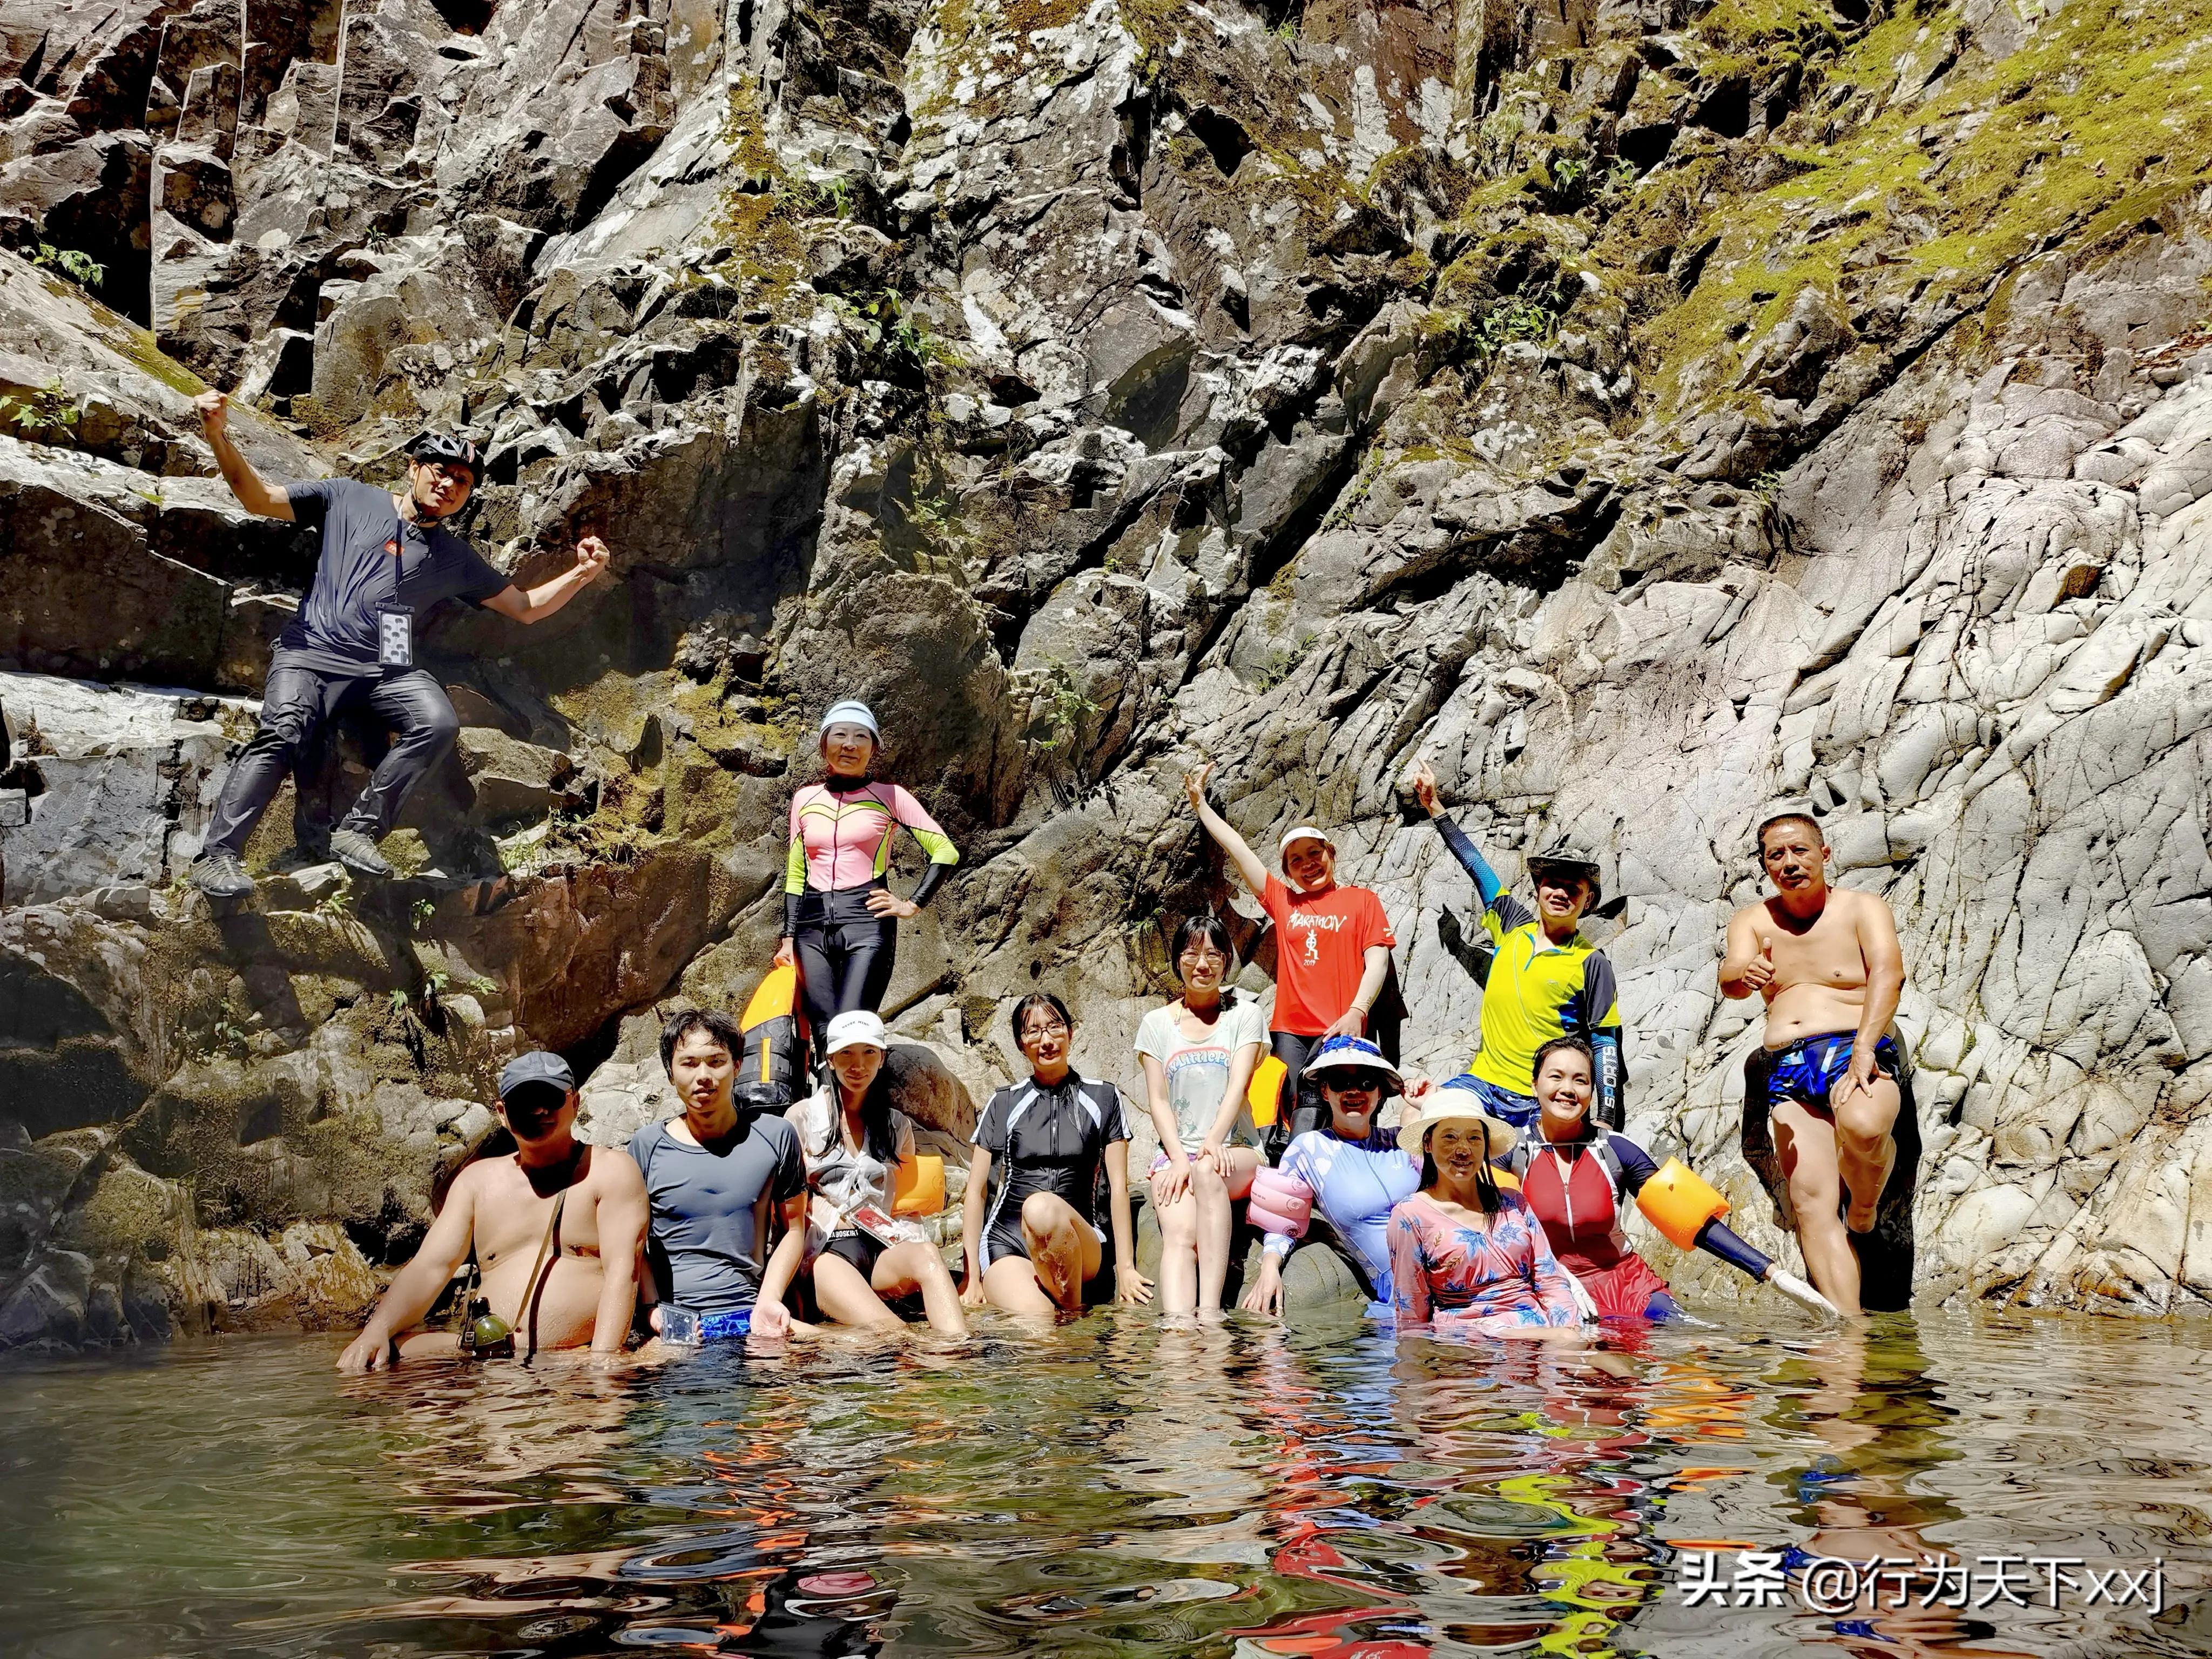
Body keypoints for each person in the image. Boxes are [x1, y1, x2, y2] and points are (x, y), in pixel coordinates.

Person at [187, 389, 612, 898]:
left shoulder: (455, 557)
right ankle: (218, 858)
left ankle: (361, 830)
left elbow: (525, 607)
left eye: (462, 482)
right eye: (441, 470)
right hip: (311, 652)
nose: (450, 484)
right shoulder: (347, 496)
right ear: (414, 467)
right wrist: (217, 434)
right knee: (284, 730)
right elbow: (257, 498)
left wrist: (584, 574)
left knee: (438, 721)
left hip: (386, 669)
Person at [336, 1052, 648, 1371]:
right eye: (523, 1102)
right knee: (378, 1359)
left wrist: (603, 1361)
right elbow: (431, 1266)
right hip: (486, 1357)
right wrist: (374, 1332)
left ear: (575, 1103)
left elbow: (623, 1274)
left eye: (550, 1098)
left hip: (573, 1362)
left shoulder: (610, 1172)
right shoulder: (477, 1182)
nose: (538, 1110)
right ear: (502, 1113)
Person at [1719, 807, 1907, 1318]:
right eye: (1775, 855)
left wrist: (1866, 1048)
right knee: (1811, 1203)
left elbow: (1889, 974)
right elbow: (1731, 977)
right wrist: (1746, 972)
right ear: (1764, 866)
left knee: (1865, 1128)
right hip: (1787, 1064)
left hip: (1855, 1045)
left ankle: (1865, 1208)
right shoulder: (1754, 920)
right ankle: (1849, 1335)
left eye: (1800, 850)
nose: (1789, 862)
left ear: (1824, 854)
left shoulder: (1862, 908)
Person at [1501, 1037, 1832, 1320]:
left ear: (1592, 1089)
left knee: (1690, 1346)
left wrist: (1773, 1274)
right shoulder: (1509, 1154)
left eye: (1580, 1080)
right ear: (1535, 1084)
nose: (1568, 1090)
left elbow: (1690, 1220)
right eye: (1556, 1077)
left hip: (1625, 1284)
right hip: (1547, 1287)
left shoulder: (1615, 1150)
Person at [1184, 762, 1398, 1142]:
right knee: (1297, 1105)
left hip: (1342, 1023)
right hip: (1290, 1030)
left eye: (1315, 853)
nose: (1308, 864)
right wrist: (1201, 806)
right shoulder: (1285, 903)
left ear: (1330, 854)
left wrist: (1357, 1011)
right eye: (1296, 861)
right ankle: (1295, 1181)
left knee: (1341, 1105)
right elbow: (1238, 849)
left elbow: (1378, 960)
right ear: (1288, 872)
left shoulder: (1362, 901)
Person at [1410, 760, 1624, 1132]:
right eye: (1552, 883)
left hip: (1539, 1099)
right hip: (1483, 1083)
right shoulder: (1512, 925)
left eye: (1573, 889)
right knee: (1418, 1114)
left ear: (1588, 902)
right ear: (1538, 889)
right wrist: (1435, 808)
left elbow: (1605, 1041)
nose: (1560, 893)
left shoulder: (1591, 962)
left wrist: (1604, 1118)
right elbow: (1476, 866)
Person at [756, 1010, 967, 1335]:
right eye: (847, 1054)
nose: (858, 1066)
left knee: (927, 1255)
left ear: (882, 1058)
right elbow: (782, 1214)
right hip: (825, 1253)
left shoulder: (897, 1125)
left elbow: (904, 1202)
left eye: (869, 1053)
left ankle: (958, 1354)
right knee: (895, 1336)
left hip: (880, 1244)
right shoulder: (800, 1118)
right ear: (830, 1059)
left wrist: (909, 1240)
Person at [775, 700, 959, 1053]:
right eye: (840, 734)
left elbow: (945, 851)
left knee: (851, 1030)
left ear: (873, 748)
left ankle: (861, 1106)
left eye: (861, 736)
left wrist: (911, 905)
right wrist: (787, 937)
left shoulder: (891, 796)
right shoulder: (804, 799)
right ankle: (830, 1107)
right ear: (824, 743)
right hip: (810, 928)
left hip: (866, 923)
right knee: (823, 1032)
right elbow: (797, 870)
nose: (850, 744)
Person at [961, 993, 1149, 1315]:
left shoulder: (1103, 1097)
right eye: (1033, 1032)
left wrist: (1127, 1268)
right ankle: (1072, 1339)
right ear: (1021, 1045)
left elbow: (1119, 1187)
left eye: (1054, 1027)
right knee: (1039, 1325)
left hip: (1080, 1241)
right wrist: (971, 1277)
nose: (1046, 1040)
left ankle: (1072, 1309)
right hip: (1009, 1243)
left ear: (1070, 1033)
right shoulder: (1004, 1102)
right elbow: (976, 1191)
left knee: (1042, 1208)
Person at [630, 1009, 810, 1342]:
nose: (704, 1076)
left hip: (753, 1314)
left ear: (737, 1066)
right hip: (675, 1323)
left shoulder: (776, 1135)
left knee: (869, 1351)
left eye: (716, 1061)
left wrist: (769, 1300)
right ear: (671, 1073)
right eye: (689, 1063)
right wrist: (653, 1310)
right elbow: (634, 1243)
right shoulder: (646, 1146)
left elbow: (794, 1228)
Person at [1135, 914, 1269, 1316]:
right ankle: (1178, 1333)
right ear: (1178, 960)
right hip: (1177, 1155)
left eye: (1213, 954)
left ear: (1226, 962)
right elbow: (1158, 1100)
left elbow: (1239, 1084)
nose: (1202, 964)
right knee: (1180, 1234)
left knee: (1208, 1170)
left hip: (1235, 1150)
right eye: (1192, 954)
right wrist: (1178, 1157)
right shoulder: (1157, 1024)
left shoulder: (1244, 1016)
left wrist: (1212, 1141)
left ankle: (1210, 1314)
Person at [1239, 1036, 1420, 1316]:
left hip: (1454, 1266)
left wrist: (1428, 1104)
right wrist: (1270, 1267)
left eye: (1366, 1081)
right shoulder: (1310, 1148)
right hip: (1401, 1290)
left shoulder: (1404, 1141)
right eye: (1339, 1082)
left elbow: (1467, 1158)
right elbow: (1283, 1213)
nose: (1353, 1091)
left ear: (1380, 1091)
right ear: (1324, 1092)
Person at [1385, 1091, 1582, 1337]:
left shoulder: (1513, 1202)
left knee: (1617, 1369)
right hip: (1471, 1346)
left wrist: (1571, 1333)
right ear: (1428, 1143)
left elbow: (1550, 1280)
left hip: (1545, 1336)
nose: (1463, 1149)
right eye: (1449, 1137)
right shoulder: (1411, 1216)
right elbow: (1411, 1316)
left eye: (1474, 1138)